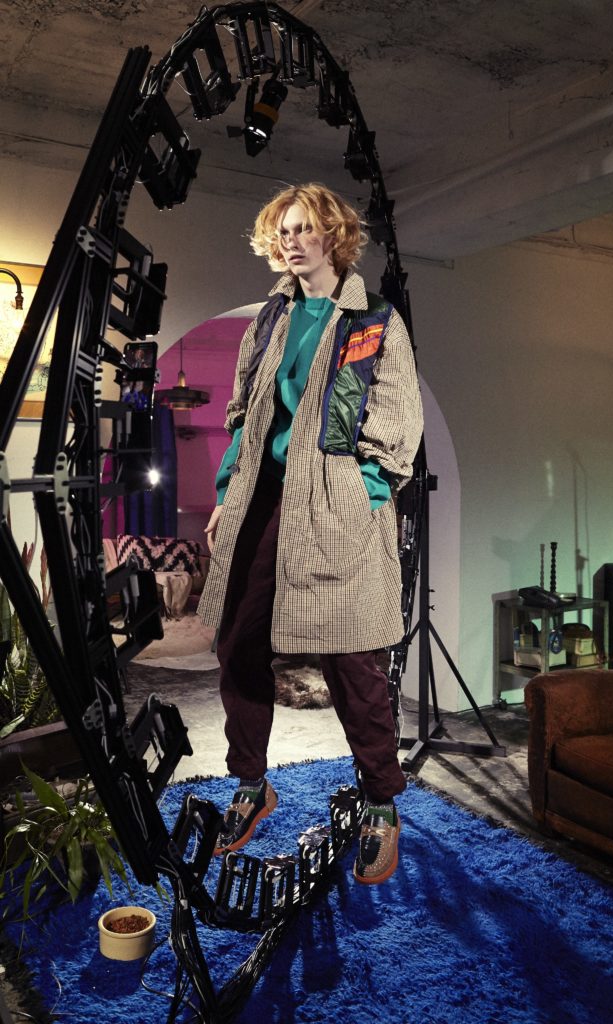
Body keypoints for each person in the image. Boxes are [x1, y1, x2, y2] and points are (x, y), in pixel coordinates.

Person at [197, 183, 423, 884]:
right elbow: (244, 415)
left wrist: (363, 494)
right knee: (238, 642)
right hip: (264, 500)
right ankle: (250, 784)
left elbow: (397, 423)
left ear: (334, 235)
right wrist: (227, 494)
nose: (291, 241)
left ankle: (380, 800)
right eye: (283, 231)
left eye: (303, 229)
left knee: (350, 658)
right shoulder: (270, 317)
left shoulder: (374, 320)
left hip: (336, 506)